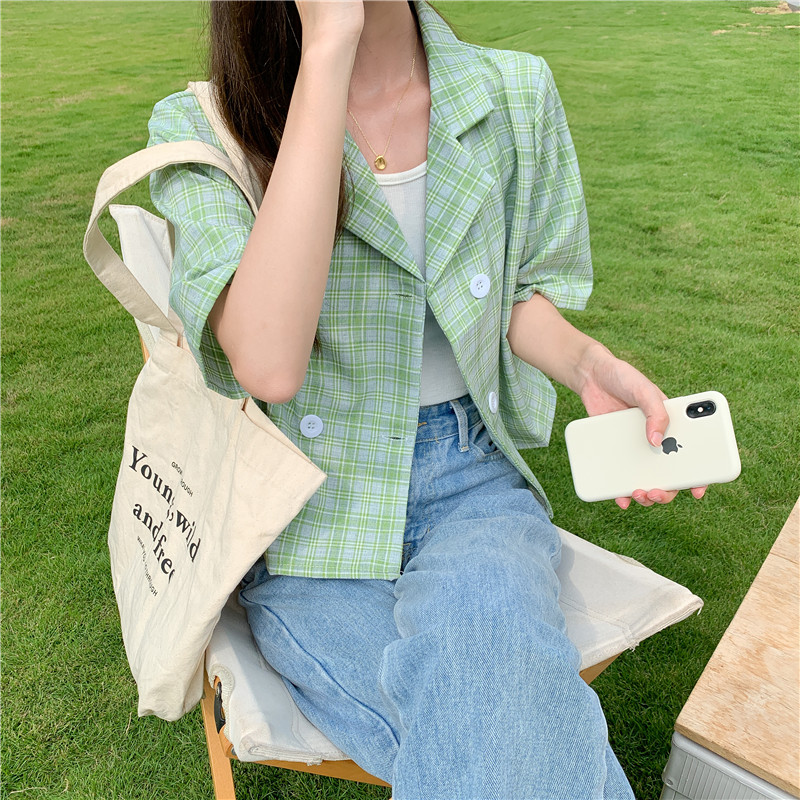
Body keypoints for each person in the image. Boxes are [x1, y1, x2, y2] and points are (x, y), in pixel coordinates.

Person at [147, 1, 705, 797]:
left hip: (471, 483)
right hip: (306, 513)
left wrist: (587, 364)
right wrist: (329, 44)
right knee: (504, 729)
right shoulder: (206, 129)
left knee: (493, 724)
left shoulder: (513, 92)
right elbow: (268, 362)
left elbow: (514, 294)